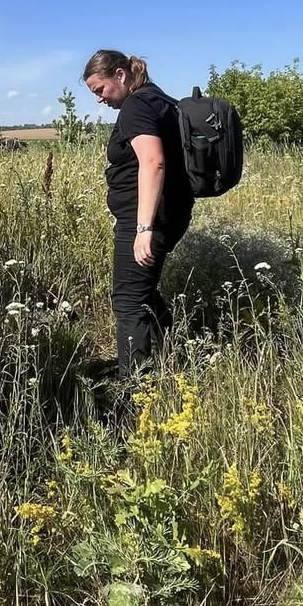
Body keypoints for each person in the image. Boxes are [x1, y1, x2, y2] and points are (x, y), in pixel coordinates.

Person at [83, 50, 193, 376]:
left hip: (147, 219)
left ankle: (134, 388)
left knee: (128, 301)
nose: (99, 100)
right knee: (141, 291)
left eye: (99, 90)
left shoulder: (136, 105)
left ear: (120, 75)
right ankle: (172, 353)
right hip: (169, 213)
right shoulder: (158, 99)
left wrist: (143, 228)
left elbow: (153, 161)